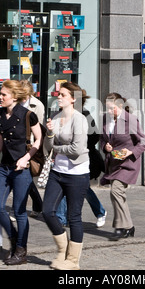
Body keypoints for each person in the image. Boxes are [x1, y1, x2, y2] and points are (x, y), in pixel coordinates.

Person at [0, 80, 42, 266]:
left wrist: (26, 158)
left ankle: (20, 251)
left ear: (15, 97)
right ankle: (15, 239)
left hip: (21, 169)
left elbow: (38, 139)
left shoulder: (28, 115)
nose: (0, 97)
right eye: (0, 94)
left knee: (19, 211)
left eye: (4, 95)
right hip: (5, 167)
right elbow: (1, 138)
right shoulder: (1, 113)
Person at [41, 82, 90, 270]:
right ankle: (62, 251)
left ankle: (73, 260)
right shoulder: (55, 116)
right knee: (47, 211)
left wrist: (56, 148)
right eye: (58, 94)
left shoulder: (79, 119)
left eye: (62, 94)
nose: (58, 97)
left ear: (73, 98)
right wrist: (50, 133)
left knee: (74, 216)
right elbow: (47, 147)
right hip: (57, 172)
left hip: (77, 173)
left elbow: (77, 149)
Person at [100, 92, 145, 241]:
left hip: (128, 163)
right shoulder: (106, 119)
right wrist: (105, 147)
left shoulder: (130, 120)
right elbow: (103, 140)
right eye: (107, 108)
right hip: (113, 163)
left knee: (116, 190)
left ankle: (122, 227)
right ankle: (129, 227)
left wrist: (131, 152)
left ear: (120, 106)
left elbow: (144, 142)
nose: (108, 112)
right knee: (116, 194)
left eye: (111, 108)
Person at [56, 107, 107, 228]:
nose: (59, 98)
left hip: (81, 158)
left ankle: (100, 212)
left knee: (84, 189)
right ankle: (61, 218)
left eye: (64, 95)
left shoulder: (84, 114)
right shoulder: (59, 114)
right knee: (62, 187)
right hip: (64, 158)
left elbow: (95, 136)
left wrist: (80, 145)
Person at [20, 79, 44, 218]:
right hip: (18, 145)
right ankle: (38, 204)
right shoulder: (15, 102)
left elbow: (39, 129)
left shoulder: (37, 105)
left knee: (25, 176)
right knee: (24, 176)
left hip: (31, 146)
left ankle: (20, 208)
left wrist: (36, 147)